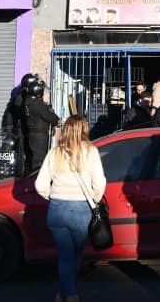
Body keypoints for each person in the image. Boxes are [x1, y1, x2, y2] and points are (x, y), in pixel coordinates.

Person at [35, 114, 106, 302]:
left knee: (65, 254)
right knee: (75, 253)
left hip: (57, 208)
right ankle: (71, 294)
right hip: (81, 208)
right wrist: (94, 199)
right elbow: (100, 183)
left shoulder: (55, 153)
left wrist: (52, 195)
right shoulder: (91, 152)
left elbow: (40, 185)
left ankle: (63, 292)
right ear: (84, 129)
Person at [23, 78, 61, 174]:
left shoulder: (28, 102)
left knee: (34, 157)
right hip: (40, 136)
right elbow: (49, 116)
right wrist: (57, 119)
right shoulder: (37, 104)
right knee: (39, 160)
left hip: (33, 134)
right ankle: (36, 177)